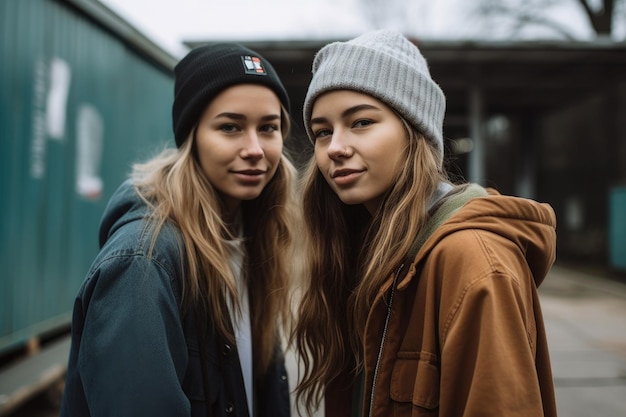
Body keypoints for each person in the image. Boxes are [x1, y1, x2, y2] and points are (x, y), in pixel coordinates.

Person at [292, 29, 558, 417]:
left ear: (415, 133)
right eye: (322, 131)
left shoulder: (474, 262)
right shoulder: (361, 251)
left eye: (361, 122)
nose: (335, 147)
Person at [60, 43, 297, 417]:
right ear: (192, 138)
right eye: (230, 127)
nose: (255, 148)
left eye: (268, 127)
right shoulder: (143, 263)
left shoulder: (248, 237)